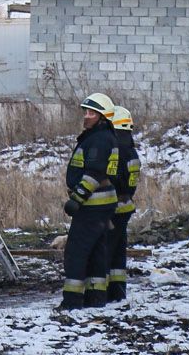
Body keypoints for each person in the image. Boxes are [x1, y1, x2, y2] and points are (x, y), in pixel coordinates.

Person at [60, 93, 119, 309]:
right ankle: (96, 298)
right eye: (85, 112)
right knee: (96, 253)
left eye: (91, 113)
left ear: (102, 117)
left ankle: (72, 301)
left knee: (76, 253)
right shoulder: (102, 136)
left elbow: (94, 173)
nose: (86, 116)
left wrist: (77, 199)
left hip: (92, 205)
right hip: (102, 206)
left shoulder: (98, 139)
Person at [106, 105, 140, 303]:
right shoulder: (131, 151)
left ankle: (101, 294)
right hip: (125, 207)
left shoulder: (115, 150)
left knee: (106, 251)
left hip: (111, 207)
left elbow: (112, 178)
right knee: (118, 253)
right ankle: (118, 293)